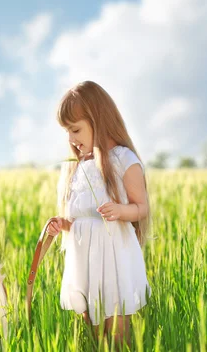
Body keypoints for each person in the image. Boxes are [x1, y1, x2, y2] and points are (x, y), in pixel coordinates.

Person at [46, 80, 152, 346]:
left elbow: (141, 207)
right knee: (91, 328)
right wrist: (63, 224)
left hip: (114, 257)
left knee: (116, 325)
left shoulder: (123, 160)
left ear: (98, 119)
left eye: (76, 129)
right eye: (67, 132)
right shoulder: (79, 167)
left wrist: (120, 210)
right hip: (84, 258)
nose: (71, 139)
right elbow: (80, 217)